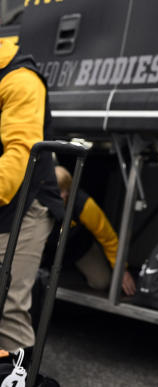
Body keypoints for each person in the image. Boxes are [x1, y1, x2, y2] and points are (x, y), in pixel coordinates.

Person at [0, 36, 63, 361]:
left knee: (8, 304)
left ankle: (17, 377)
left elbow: (19, 158)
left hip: (26, 206)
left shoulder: (20, 80)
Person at [46, 166, 136, 296]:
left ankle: (80, 273)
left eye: (66, 190)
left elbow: (108, 238)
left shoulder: (84, 204)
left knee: (102, 282)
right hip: (47, 250)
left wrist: (121, 269)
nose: (63, 195)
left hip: (79, 248)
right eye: (58, 191)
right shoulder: (39, 202)